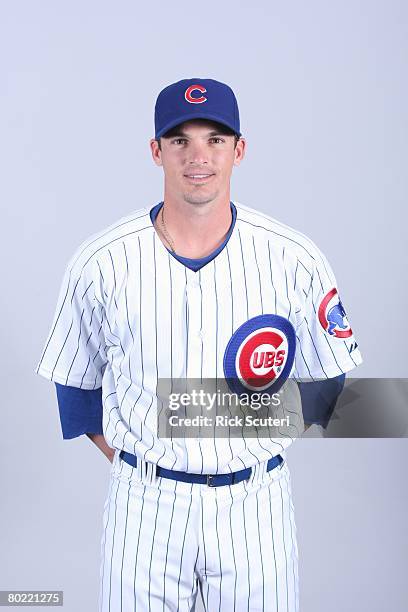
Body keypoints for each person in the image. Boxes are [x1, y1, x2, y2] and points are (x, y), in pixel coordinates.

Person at [35, 77, 363, 611]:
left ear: (240, 149)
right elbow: (75, 390)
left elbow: (330, 383)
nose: (198, 156)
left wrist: (232, 431)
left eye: (214, 138)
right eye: (180, 139)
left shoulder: (293, 257)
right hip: (145, 506)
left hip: (255, 505)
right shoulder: (101, 261)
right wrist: (143, 460)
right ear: (155, 151)